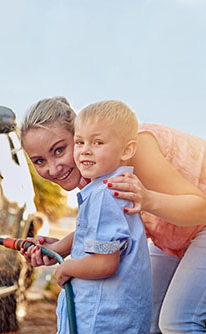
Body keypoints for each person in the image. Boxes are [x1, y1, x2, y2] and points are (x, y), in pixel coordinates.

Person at [20, 96, 206, 334]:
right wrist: (60, 248)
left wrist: (146, 198)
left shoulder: (130, 151)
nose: (53, 168)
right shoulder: (97, 170)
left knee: (178, 322)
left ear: (79, 132)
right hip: (175, 231)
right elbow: (108, 225)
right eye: (40, 161)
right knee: (144, 318)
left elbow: (200, 211)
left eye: (60, 150)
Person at [50, 100, 151, 333]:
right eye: (79, 142)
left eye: (98, 142)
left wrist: (66, 268)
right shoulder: (111, 189)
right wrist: (59, 246)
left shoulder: (105, 194)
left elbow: (104, 263)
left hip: (101, 320)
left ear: (126, 150)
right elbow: (94, 238)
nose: (85, 150)